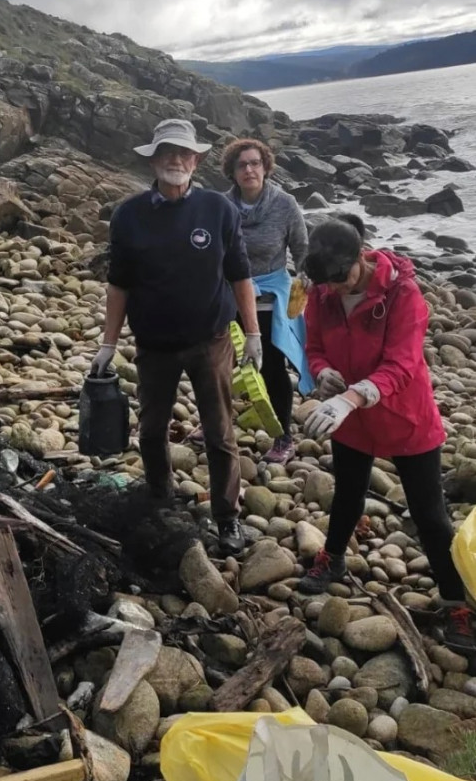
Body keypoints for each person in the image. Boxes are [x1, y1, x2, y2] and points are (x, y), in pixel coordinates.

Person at [297, 216, 474, 653]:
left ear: (361, 256)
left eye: (342, 278)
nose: (335, 289)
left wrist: (353, 397)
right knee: (347, 492)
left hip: (404, 416)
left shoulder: (403, 294)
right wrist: (323, 375)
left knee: (430, 514)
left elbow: (403, 363)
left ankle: (457, 602)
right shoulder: (321, 291)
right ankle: (332, 558)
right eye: (328, 283)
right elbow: (313, 346)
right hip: (352, 417)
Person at [90, 118, 261, 555]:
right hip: (154, 345)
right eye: (167, 152)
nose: (176, 160)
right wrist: (108, 344)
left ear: (197, 160)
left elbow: (240, 274)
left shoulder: (219, 210)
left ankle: (227, 517)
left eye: (184, 153)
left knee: (220, 433)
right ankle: (160, 497)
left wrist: (254, 332)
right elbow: (118, 284)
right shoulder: (128, 215)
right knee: (150, 431)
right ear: (153, 159)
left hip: (212, 339)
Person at [222, 138, 314, 463]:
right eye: (242, 165)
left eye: (254, 163)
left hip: (271, 299)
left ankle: (284, 437)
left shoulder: (284, 204)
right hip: (228, 294)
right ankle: (215, 425)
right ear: (232, 172)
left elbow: (303, 252)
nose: (249, 169)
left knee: (272, 368)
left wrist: (302, 292)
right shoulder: (221, 206)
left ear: (265, 167)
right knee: (218, 365)